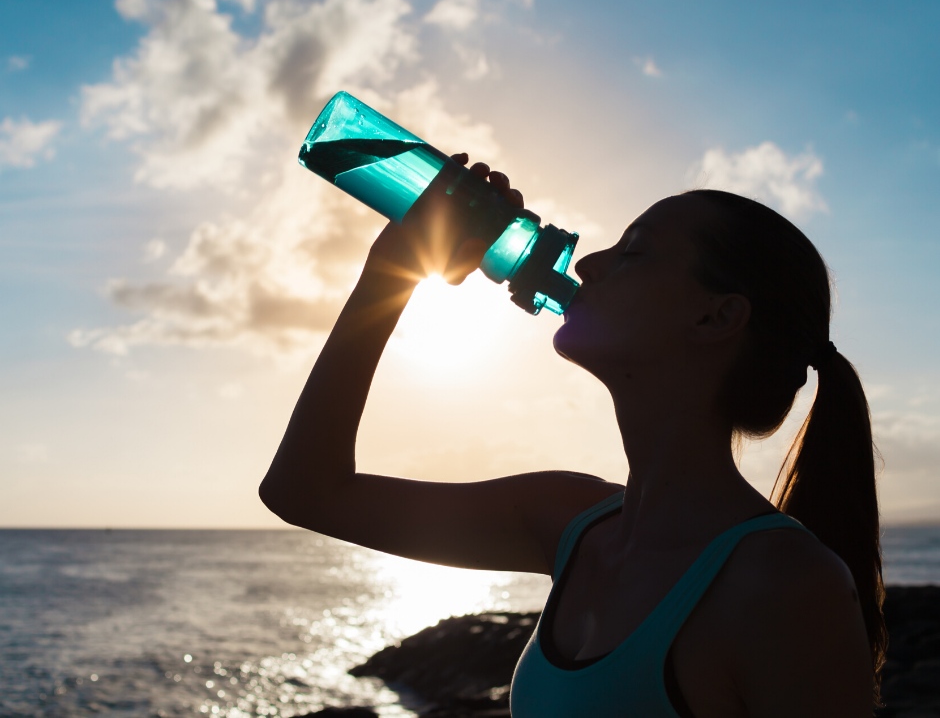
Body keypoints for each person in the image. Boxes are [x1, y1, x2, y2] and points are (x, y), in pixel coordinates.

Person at [260, 154, 886, 717]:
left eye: (634, 251)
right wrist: (392, 273)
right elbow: (305, 492)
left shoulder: (785, 584)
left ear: (716, 315)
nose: (588, 261)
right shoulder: (569, 521)